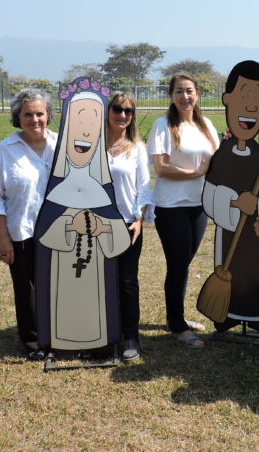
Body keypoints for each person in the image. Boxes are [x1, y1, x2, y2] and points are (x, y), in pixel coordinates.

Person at [34, 78, 130, 356]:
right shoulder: (58, 188)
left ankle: (98, 341)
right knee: (64, 301)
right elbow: (44, 234)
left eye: (92, 124)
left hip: (96, 266)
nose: (85, 132)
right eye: (78, 122)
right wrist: (67, 224)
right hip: (63, 270)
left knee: (95, 301)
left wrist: (104, 227)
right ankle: (60, 341)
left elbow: (119, 237)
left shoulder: (101, 187)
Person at [201, 60, 259, 338]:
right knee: (227, 268)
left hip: (254, 242)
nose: (251, 105)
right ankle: (226, 314)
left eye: (257, 98)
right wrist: (233, 203)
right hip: (227, 236)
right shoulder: (222, 156)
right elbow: (208, 197)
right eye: (244, 95)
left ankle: (255, 318)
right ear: (228, 100)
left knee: (255, 276)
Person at [147, 72, 219, 348]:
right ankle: (177, 326)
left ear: (197, 94)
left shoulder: (206, 126)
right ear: (171, 96)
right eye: (179, 91)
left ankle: (176, 317)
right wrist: (196, 172)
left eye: (189, 91)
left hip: (199, 206)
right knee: (177, 265)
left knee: (184, 264)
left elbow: (217, 160)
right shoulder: (163, 125)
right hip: (171, 206)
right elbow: (161, 168)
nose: (184, 96)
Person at [0, 88, 57, 362]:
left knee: (55, 286)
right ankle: (34, 341)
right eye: (28, 114)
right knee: (27, 290)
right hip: (22, 232)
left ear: (48, 115)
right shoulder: (5, 150)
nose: (35, 119)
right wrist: (3, 239)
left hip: (58, 232)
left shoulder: (62, 146)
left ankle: (57, 334)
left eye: (40, 113)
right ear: (18, 117)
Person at [105, 91, 153, 362]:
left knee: (126, 282)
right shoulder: (93, 146)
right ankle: (102, 334)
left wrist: (139, 220)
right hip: (97, 226)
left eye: (128, 111)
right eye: (117, 109)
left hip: (127, 226)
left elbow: (143, 190)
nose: (122, 115)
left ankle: (130, 336)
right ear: (108, 111)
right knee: (100, 282)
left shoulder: (137, 149)